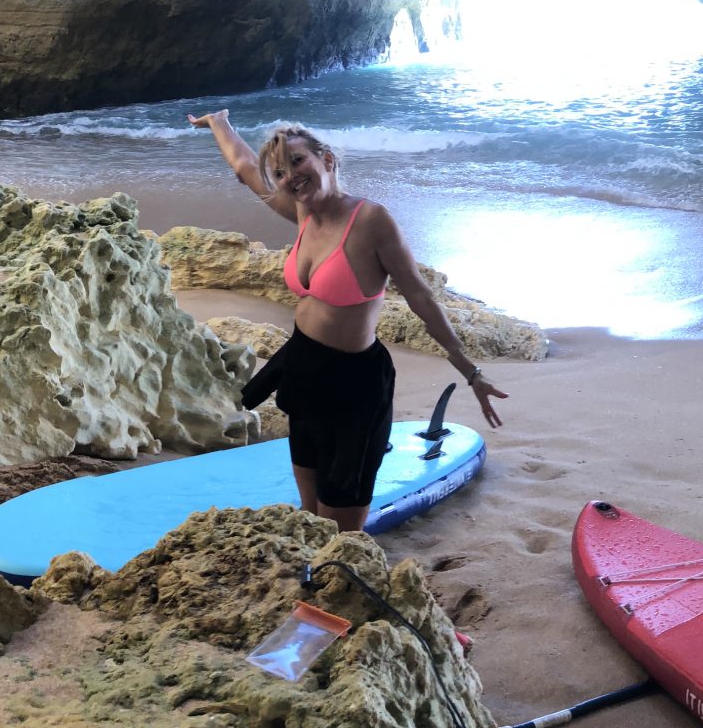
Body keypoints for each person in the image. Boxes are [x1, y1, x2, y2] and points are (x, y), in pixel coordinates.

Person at [189, 110, 508, 531]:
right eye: (281, 172)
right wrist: (218, 123)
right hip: (302, 368)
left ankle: (337, 582)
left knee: (342, 516)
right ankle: (310, 584)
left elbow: (420, 295)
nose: (289, 177)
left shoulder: (371, 221)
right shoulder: (302, 212)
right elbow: (246, 167)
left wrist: (470, 371)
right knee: (311, 511)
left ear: (327, 160)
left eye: (298, 162)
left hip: (354, 384)